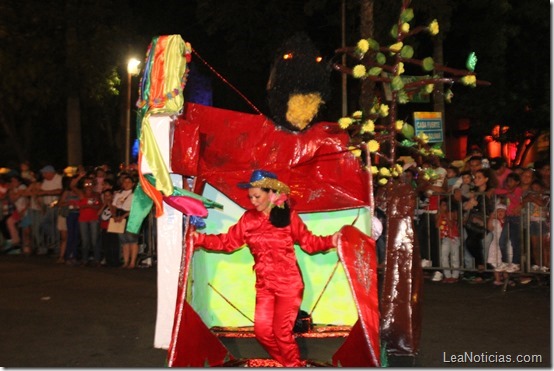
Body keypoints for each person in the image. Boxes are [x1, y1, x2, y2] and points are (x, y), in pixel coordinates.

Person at [192, 170, 339, 367]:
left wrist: (332, 240)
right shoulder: (248, 219)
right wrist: (199, 239)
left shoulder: (289, 217)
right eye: (250, 197)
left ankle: (293, 365)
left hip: (289, 284)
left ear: (272, 194)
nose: (252, 201)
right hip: (264, 286)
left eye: (257, 196)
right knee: (262, 333)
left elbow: (310, 243)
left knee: (281, 333)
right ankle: (290, 363)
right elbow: (227, 242)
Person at [71, 173, 102, 266]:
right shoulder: (81, 194)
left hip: (94, 218)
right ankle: (85, 259)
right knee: (85, 240)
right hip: (83, 219)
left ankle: (97, 259)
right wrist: (79, 177)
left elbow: (99, 206)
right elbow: (72, 186)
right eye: (86, 184)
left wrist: (93, 206)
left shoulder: (96, 194)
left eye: (90, 184)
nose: (88, 186)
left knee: (94, 239)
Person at [111, 174, 139, 269]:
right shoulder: (119, 193)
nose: (126, 184)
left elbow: (136, 208)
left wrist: (124, 216)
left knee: (132, 239)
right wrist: (114, 215)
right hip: (119, 217)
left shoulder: (135, 194)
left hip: (130, 217)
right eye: (125, 182)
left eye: (129, 182)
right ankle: (126, 261)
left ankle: (132, 262)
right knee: (124, 241)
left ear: (133, 184)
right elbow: (114, 205)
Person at [436, 197, 460, 283]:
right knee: (444, 256)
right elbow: (437, 225)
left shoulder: (451, 213)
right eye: (442, 205)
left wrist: (445, 215)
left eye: (445, 205)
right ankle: (447, 275)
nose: (444, 207)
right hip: (445, 237)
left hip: (453, 237)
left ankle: (455, 275)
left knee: (454, 256)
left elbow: (451, 225)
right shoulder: (439, 214)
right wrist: (440, 215)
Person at [487, 202, 511, 286]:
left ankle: (506, 278)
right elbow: (490, 228)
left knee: (505, 262)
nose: (500, 212)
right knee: (496, 263)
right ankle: (497, 279)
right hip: (496, 245)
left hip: (505, 245)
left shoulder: (507, 222)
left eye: (502, 211)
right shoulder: (495, 221)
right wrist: (490, 218)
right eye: (498, 211)